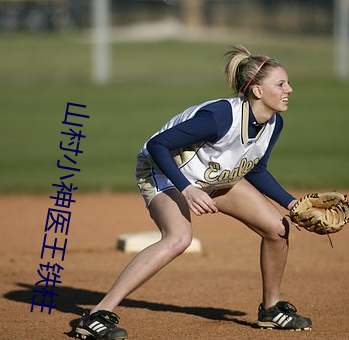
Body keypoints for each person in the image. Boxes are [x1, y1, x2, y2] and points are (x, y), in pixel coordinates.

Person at [75, 45, 312, 340]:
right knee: (179, 238)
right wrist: (186, 189)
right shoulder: (219, 117)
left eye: (287, 82)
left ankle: (272, 309)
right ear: (258, 92)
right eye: (280, 84)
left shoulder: (273, 123)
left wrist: (293, 204)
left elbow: (256, 169)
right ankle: (96, 315)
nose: (290, 88)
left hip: (211, 177)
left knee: (277, 228)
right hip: (163, 172)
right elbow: (157, 146)